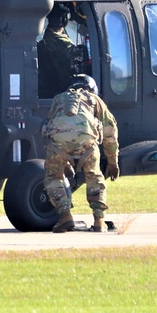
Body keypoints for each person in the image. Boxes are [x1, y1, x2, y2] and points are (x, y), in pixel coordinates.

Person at [42, 74, 120, 233]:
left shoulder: (58, 99)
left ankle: (65, 215)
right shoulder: (95, 100)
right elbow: (110, 132)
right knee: (94, 175)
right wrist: (113, 162)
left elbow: (49, 128)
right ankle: (99, 221)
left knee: (53, 178)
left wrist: (64, 162)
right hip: (88, 143)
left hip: (57, 144)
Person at [37, 2, 78, 99]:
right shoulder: (66, 46)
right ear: (64, 21)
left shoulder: (41, 41)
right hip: (61, 95)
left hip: (44, 94)